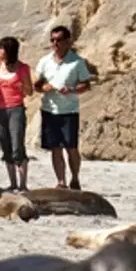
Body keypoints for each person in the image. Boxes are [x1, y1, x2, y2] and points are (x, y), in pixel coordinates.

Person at [34, 25, 92, 190]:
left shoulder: (77, 62)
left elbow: (86, 84)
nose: (55, 43)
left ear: (68, 42)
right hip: (49, 109)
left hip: (69, 110)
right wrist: (43, 87)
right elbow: (37, 84)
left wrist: (72, 90)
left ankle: (75, 177)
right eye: (52, 40)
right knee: (55, 148)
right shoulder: (44, 61)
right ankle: (61, 181)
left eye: (58, 40)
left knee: (71, 147)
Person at [0, 35, 32, 192]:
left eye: (1, 48)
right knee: (6, 146)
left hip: (16, 108)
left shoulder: (23, 68)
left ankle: (23, 184)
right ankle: (12, 183)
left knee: (17, 144)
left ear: (9, 50)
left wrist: (21, 86)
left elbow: (29, 91)